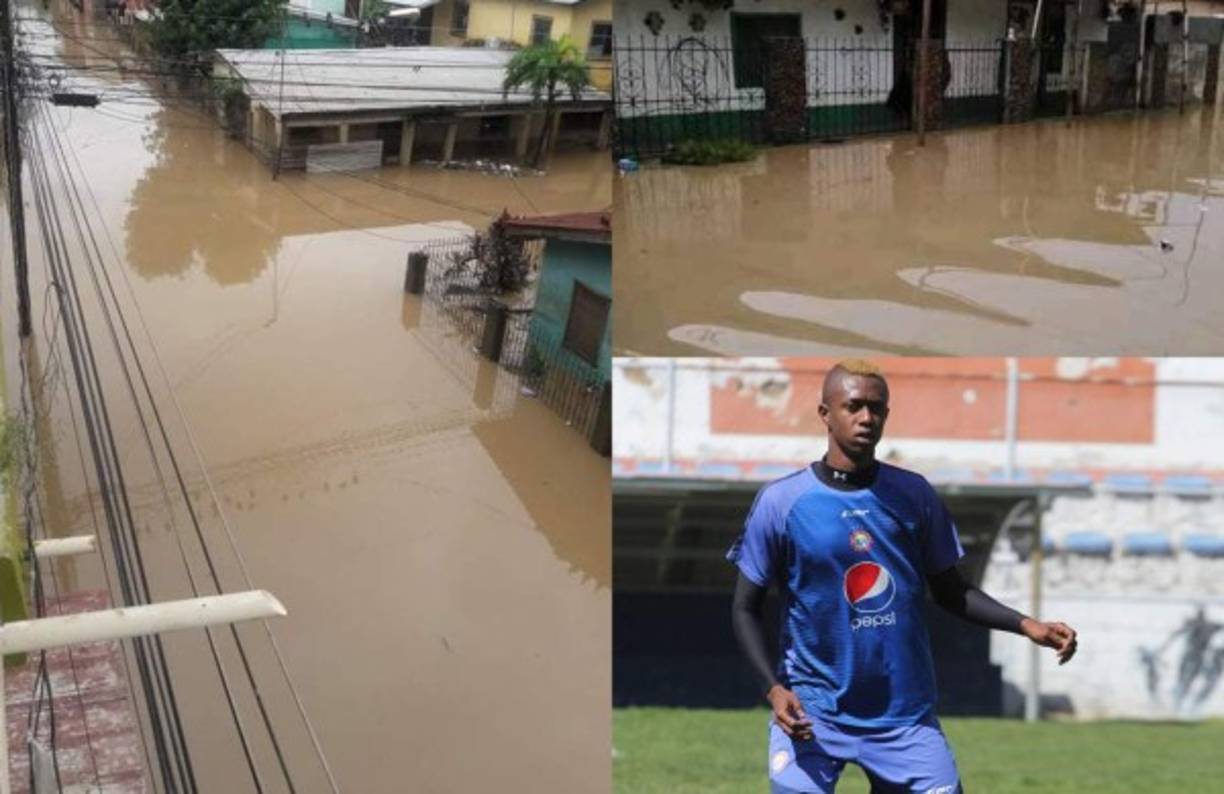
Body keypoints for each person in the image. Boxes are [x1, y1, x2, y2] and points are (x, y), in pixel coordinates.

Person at [727, 360, 1078, 793]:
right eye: (853, 406)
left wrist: (1027, 625)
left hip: (904, 718)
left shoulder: (914, 495)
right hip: (812, 713)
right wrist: (773, 688)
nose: (866, 418)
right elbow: (745, 607)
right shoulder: (782, 502)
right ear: (825, 414)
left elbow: (952, 592)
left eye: (876, 408)